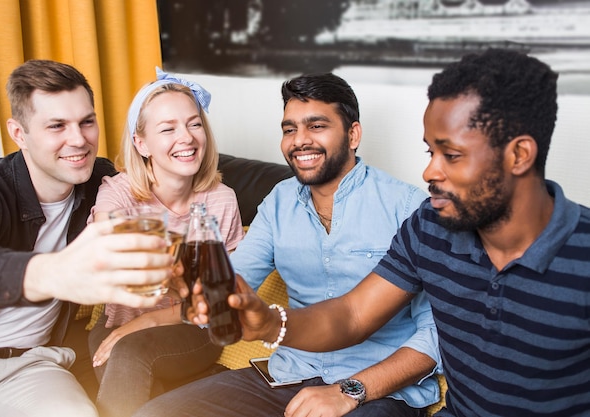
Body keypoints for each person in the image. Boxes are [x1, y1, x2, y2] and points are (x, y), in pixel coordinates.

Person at [182, 49, 590, 417]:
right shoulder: (430, 227)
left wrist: (353, 389)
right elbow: (352, 314)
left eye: (451, 155)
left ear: (519, 154)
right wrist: (272, 324)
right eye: (431, 152)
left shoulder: (579, 253)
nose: (430, 171)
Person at [134, 72, 442, 417]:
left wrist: (350, 391)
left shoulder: (409, 208)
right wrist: (190, 285)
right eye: (289, 129)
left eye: (316, 126)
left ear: (353, 134)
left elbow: (436, 334)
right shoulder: (278, 202)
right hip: (288, 376)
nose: (300, 140)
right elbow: (234, 281)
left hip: (376, 392)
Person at [0, 60, 173, 417]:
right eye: (57, 126)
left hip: (33, 365)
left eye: (86, 122)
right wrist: (54, 272)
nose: (78, 140)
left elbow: (173, 182)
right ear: (18, 133)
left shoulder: (102, 183)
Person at [87, 68, 245, 417]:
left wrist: (146, 321)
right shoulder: (117, 193)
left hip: (193, 330)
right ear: (141, 143)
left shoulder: (221, 200)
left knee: (129, 352)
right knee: (150, 396)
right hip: (114, 327)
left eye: (194, 123)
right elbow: (106, 258)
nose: (186, 138)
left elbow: (218, 298)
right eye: (168, 128)